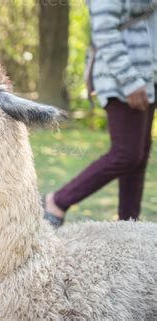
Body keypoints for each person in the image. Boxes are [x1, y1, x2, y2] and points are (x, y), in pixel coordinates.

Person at [44, 0, 157, 227]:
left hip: (148, 74)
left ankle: (129, 225)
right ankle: (57, 201)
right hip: (123, 77)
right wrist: (129, 80)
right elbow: (104, 30)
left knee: (139, 156)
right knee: (126, 154)